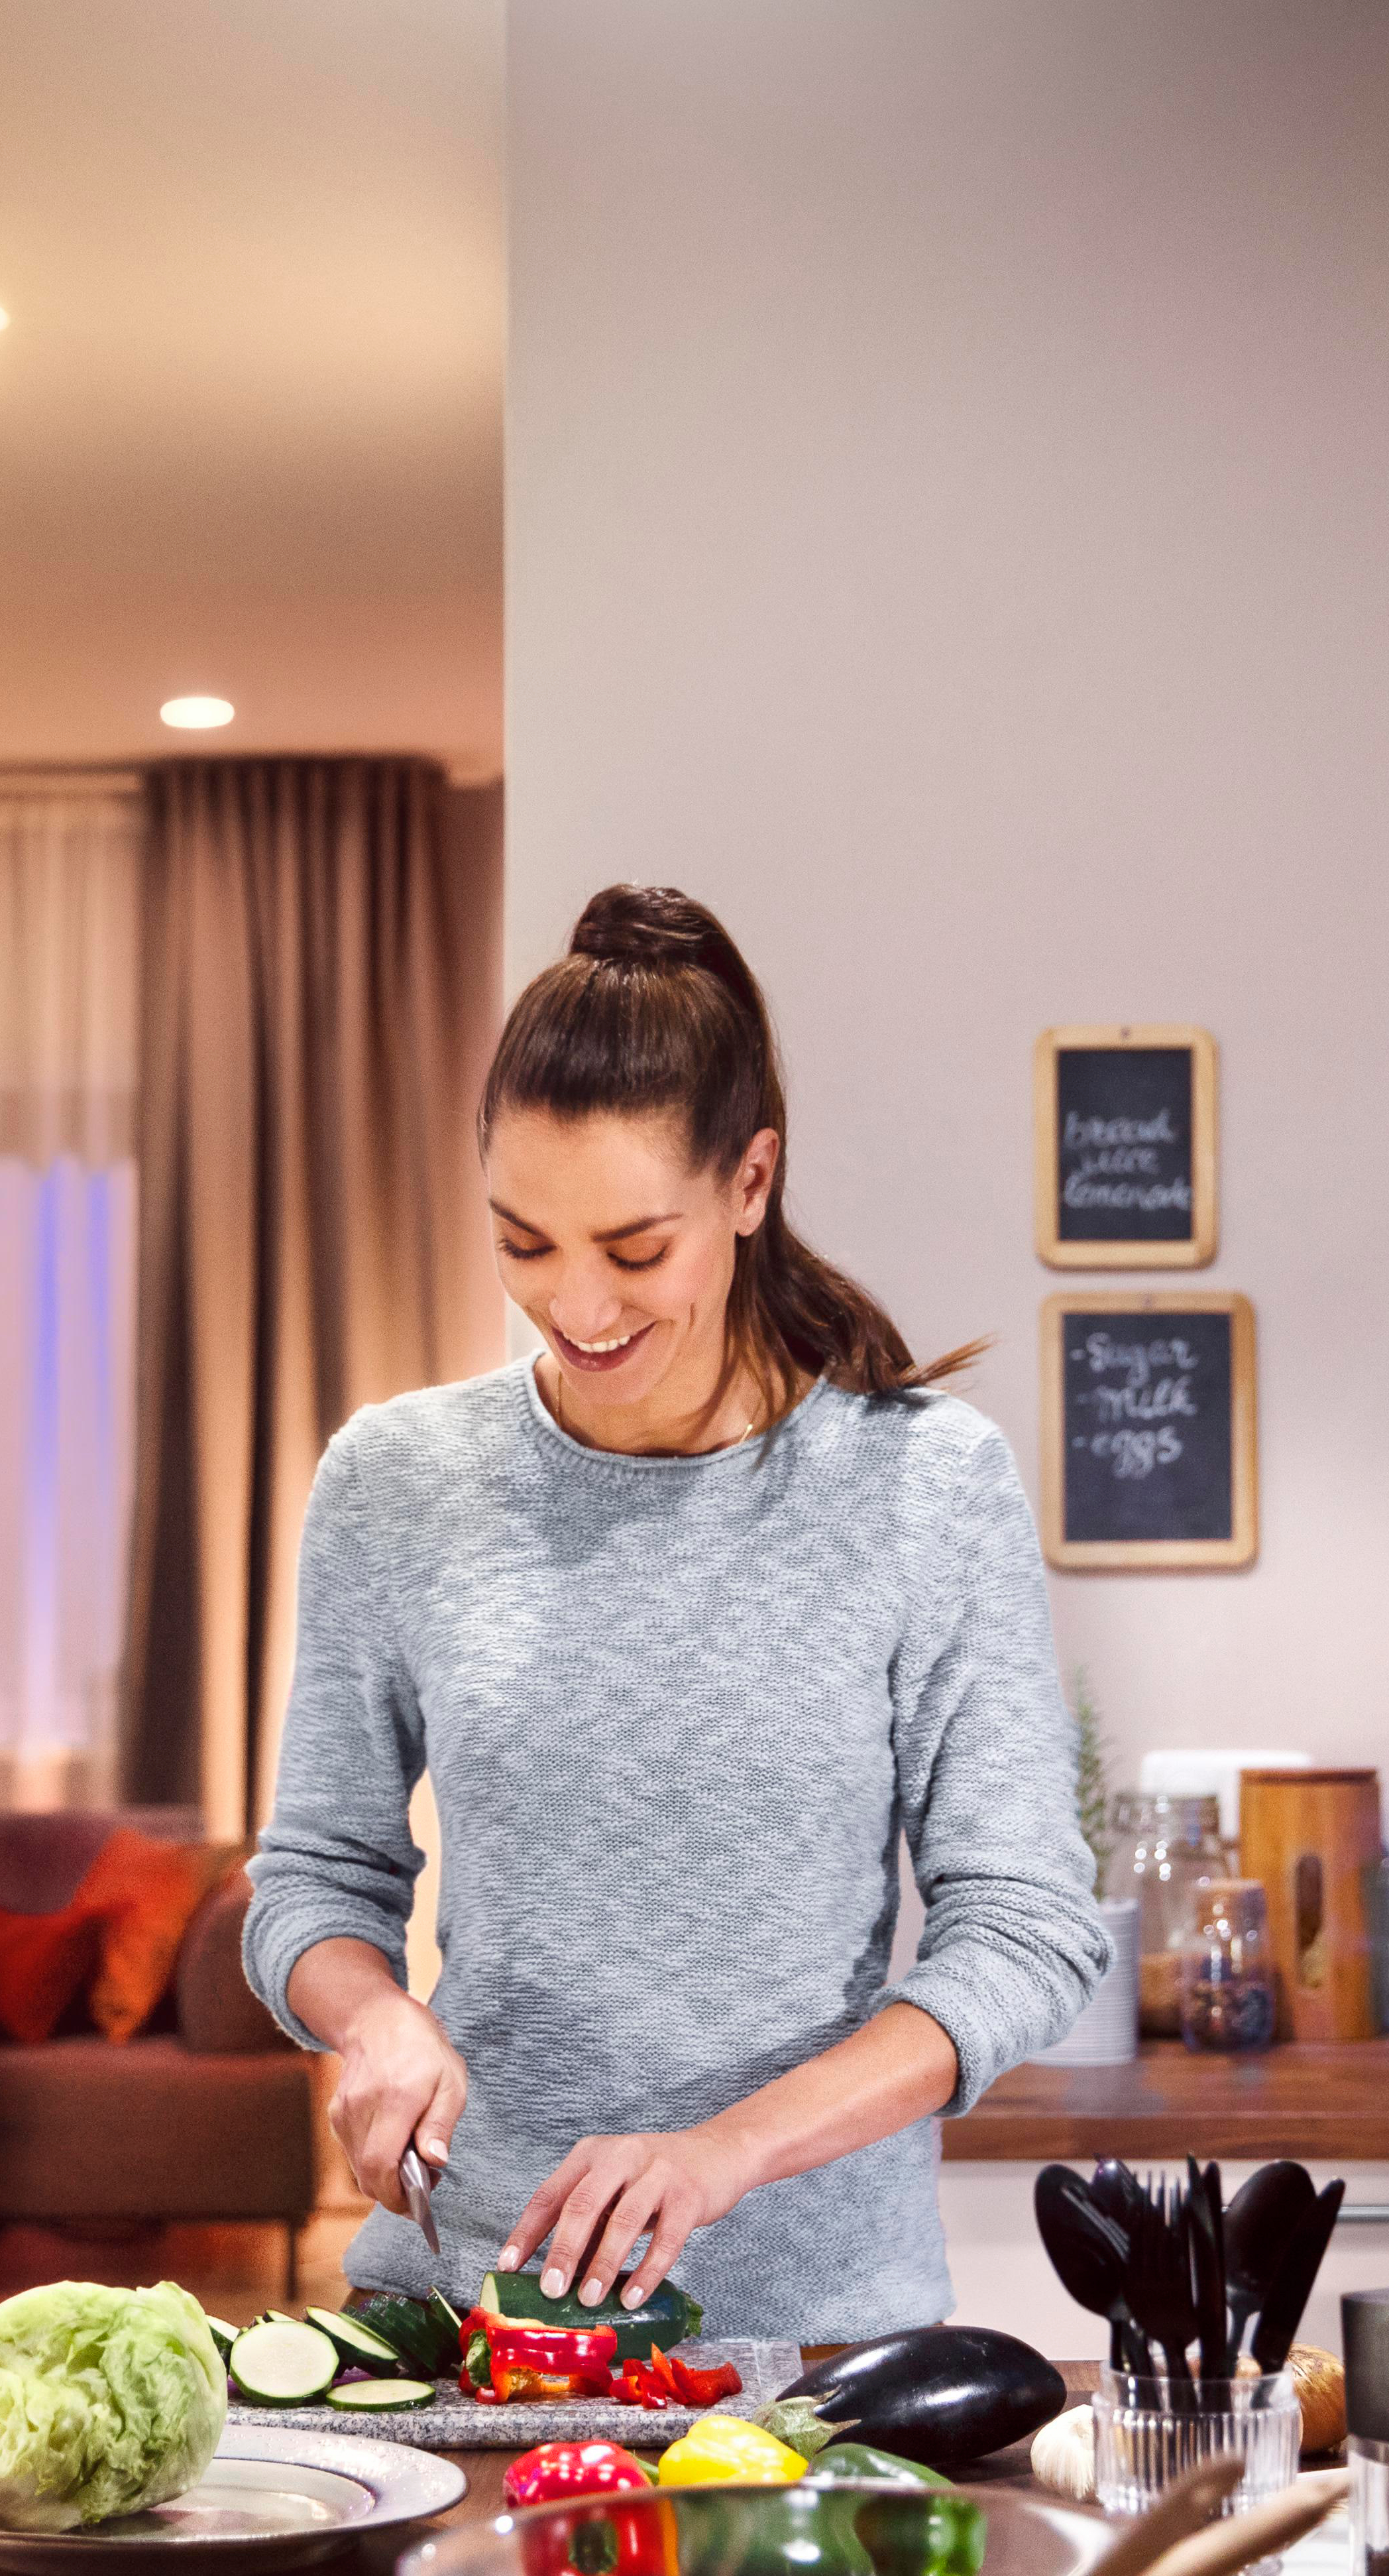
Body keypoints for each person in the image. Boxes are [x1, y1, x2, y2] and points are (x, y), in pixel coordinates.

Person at [243, 884, 1106, 2343]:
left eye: (636, 1250)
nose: (577, 1307)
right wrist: (373, 2016)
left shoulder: (920, 1484)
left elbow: (1024, 1931)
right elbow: (314, 1878)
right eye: (525, 1243)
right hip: (474, 2320)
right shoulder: (400, 1483)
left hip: (814, 2338)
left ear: (751, 1183)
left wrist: (723, 2153)